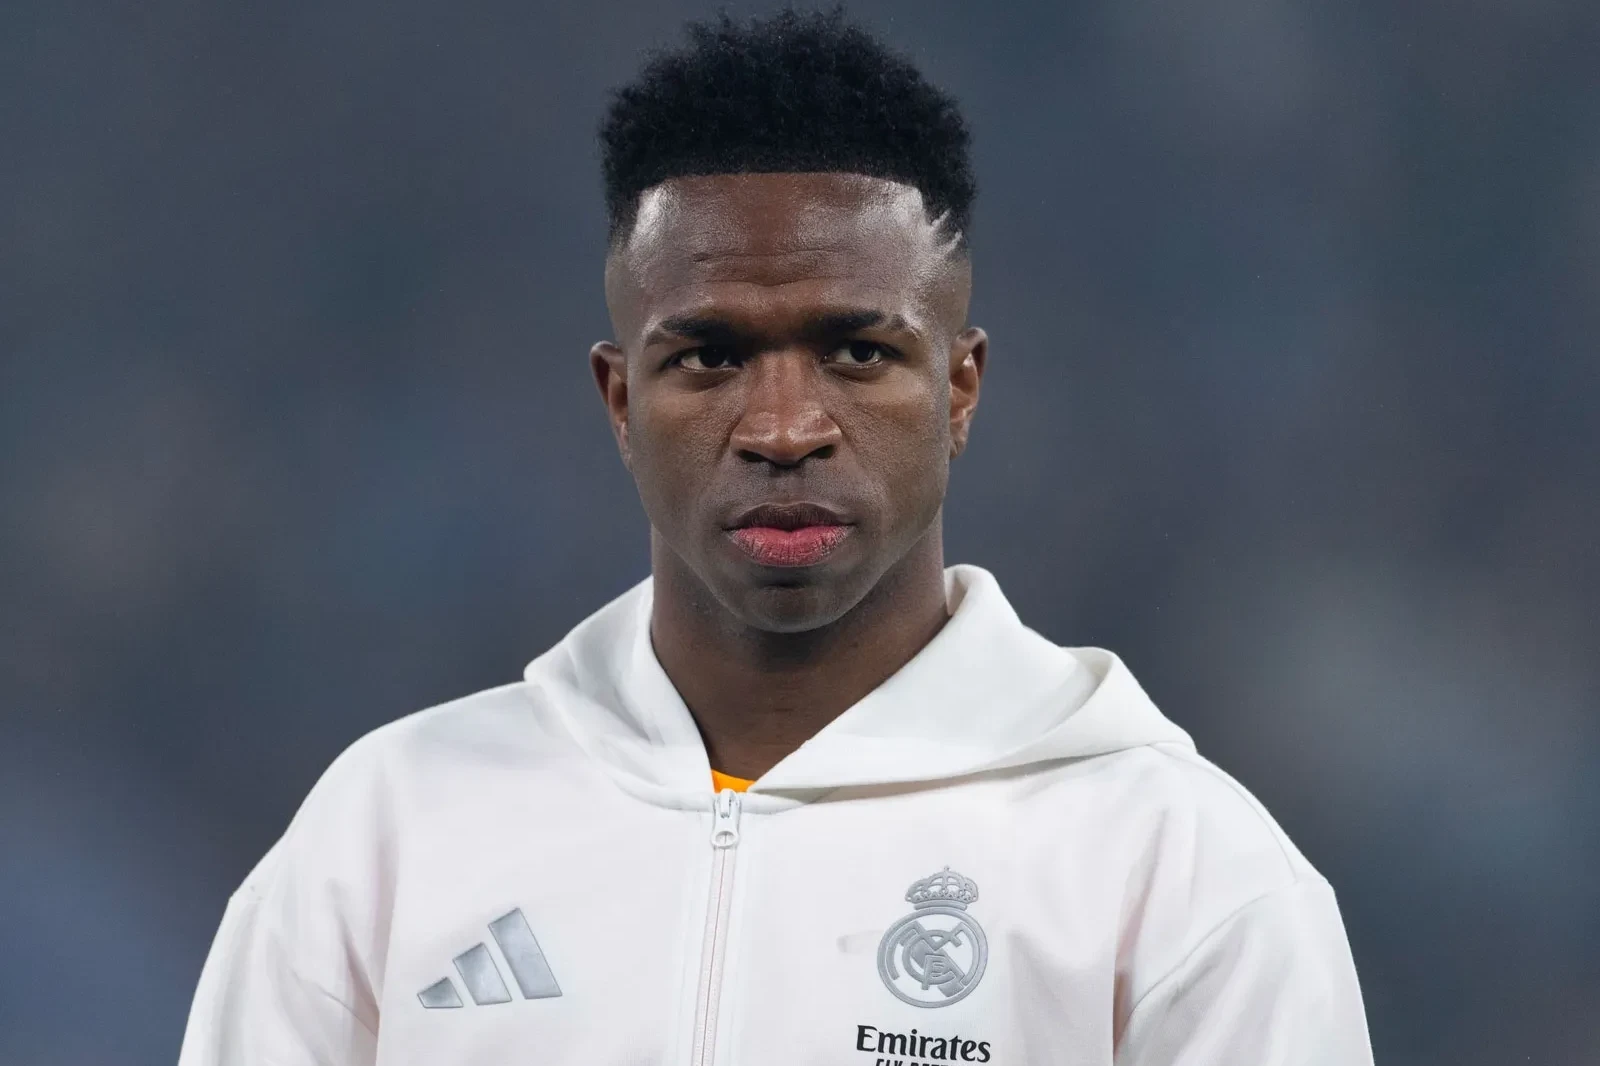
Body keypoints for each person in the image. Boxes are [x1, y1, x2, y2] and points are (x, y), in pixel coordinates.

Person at [179, 8, 1374, 1064]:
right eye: (710, 357)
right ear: (619, 399)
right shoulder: (389, 836)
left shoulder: (1179, 876)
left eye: (858, 351)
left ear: (958, 388)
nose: (785, 427)